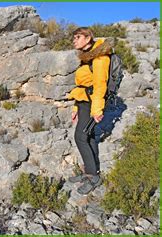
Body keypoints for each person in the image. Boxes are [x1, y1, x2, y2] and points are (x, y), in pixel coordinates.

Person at [67, 27, 113, 195]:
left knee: (80, 137)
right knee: (90, 136)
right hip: (83, 100)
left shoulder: (99, 58)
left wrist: (97, 110)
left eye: (77, 37)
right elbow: (82, 84)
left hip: (92, 102)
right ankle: (91, 170)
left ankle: (93, 177)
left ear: (87, 38)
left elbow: (100, 85)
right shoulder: (86, 57)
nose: (74, 41)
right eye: (74, 38)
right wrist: (75, 107)